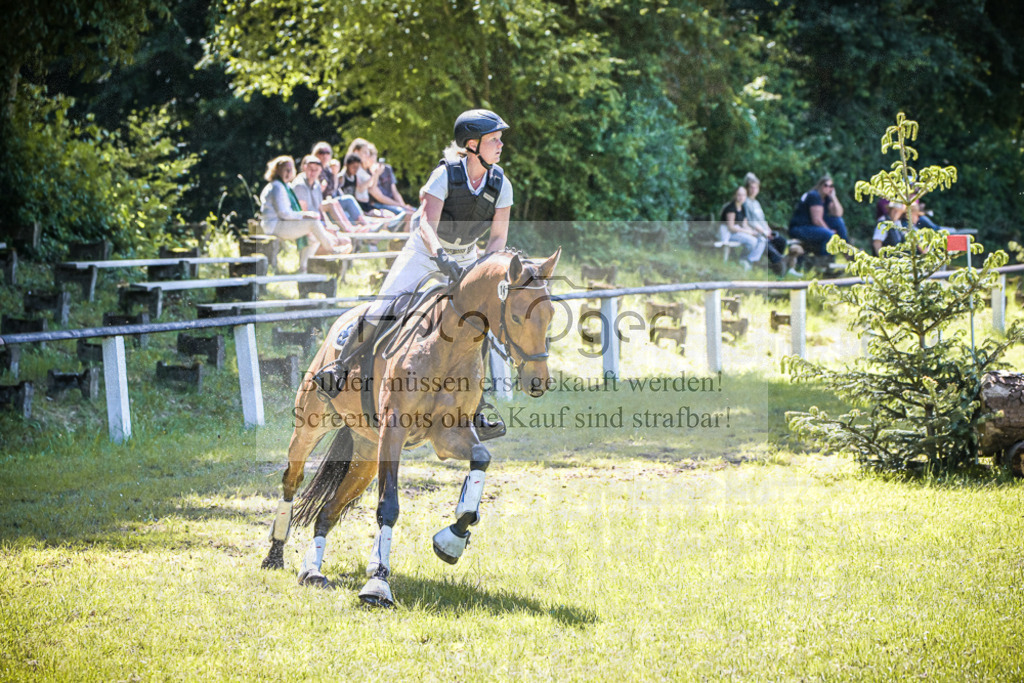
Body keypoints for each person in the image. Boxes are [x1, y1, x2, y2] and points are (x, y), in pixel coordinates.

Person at [314, 109, 513, 440]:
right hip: (424, 252)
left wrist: (485, 267)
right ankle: (339, 368)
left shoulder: (500, 183)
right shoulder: (445, 176)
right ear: (472, 144)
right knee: (383, 307)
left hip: (467, 258)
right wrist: (439, 255)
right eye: (494, 139)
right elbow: (426, 224)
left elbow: (497, 238)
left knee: (479, 323)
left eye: (499, 139)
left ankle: (476, 406)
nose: (500, 144)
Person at [258, 155, 347, 272]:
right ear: (277, 171)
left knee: (314, 234)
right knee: (313, 223)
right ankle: (332, 249)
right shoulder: (277, 187)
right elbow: (284, 213)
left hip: (281, 224)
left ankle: (303, 268)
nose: (289, 173)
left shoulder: (286, 186)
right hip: (274, 226)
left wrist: (306, 216)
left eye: (291, 169)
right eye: (286, 170)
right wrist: (305, 215)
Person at [743, 172, 802, 277]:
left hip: (764, 231)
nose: (753, 190)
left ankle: (778, 265)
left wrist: (769, 230)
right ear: (747, 188)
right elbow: (750, 222)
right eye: (751, 188)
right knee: (768, 245)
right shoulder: (746, 202)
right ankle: (779, 265)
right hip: (756, 233)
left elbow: (763, 220)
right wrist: (764, 232)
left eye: (755, 188)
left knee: (781, 241)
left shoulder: (756, 203)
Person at [291, 155, 352, 255]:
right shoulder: (299, 185)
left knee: (346, 240)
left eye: (316, 170)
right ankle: (317, 262)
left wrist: (328, 225)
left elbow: (320, 209)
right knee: (335, 242)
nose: (313, 172)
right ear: (304, 168)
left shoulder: (316, 184)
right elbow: (304, 214)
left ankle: (329, 264)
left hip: (317, 225)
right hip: (306, 227)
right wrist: (324, 230)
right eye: (310, 169)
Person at [788, 174, 850, 255]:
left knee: (838, 221)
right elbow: (817, 220)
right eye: (826, 185)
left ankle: (847, 252)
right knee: (829, 235)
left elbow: (838, 213)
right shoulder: (814, 196)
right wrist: (830, 231)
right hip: (800, 228)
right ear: (820, 185)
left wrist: (834, 197)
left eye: (831, 186)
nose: (828, 188)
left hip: (812, 228)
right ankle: (824, 261)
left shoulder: (827, 198)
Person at [719, 186, 765, 270]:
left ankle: (750, 260)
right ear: (735, 195)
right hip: (729, 234)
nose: (741, 197)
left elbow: (744, 224)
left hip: (739, 232)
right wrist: (748, 232)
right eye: (739, 195)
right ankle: (743, 259)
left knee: (761, 239)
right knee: (752, 241)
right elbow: (731, 227)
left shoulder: (742, 207)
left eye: (743, 195)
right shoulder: (731, 208)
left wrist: (752, 231)